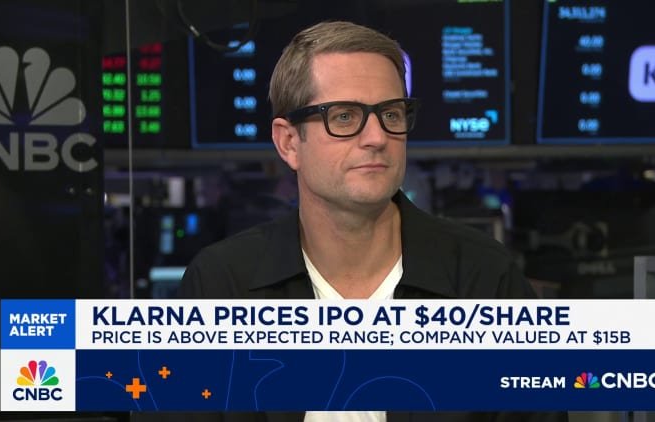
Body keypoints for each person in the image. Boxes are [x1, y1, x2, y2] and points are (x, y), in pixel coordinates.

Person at [175, 21, 567, 422]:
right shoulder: (222, 284)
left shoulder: (484, 279)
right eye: (345, 116)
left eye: (391, 114)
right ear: (289, 142)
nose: (377, 138)